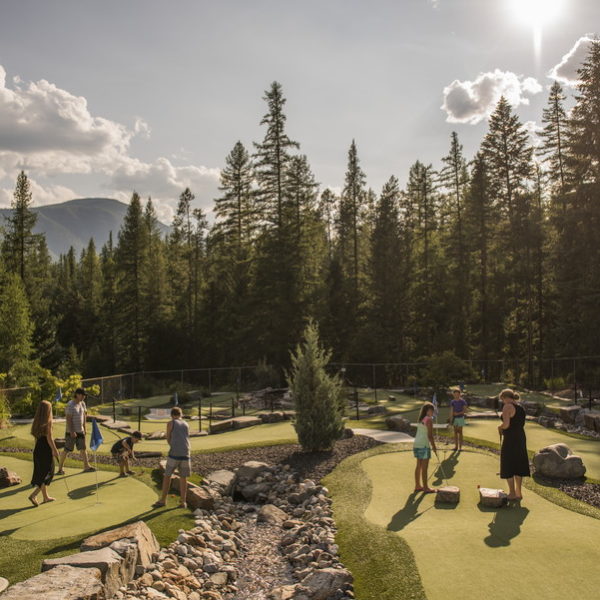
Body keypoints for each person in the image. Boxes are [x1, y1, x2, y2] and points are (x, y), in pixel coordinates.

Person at [153, 407, 191, 508]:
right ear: (181, 414)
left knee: (167, 476)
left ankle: (163, 500)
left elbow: (168, 438)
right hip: (186, 453)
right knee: (183, 477)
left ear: (172, 415)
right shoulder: (186, 423)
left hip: (174, 453)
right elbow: (186, 437)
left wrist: (172, 446)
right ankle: (183, 502)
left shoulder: (171, 423)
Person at [499, 388, 530, 501]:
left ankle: (511, 493)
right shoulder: (521, 408)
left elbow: (506, 425)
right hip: (521, 437)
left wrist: (500, 427)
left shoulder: (507, 406)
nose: (503, 402)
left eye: (502, 399)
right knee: (518, 463)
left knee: (508, 463)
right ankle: (518, 492)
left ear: (505, 398)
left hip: (511, 438)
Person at [56, 388, 95, 475]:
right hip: (71, 432)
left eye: (84, 395)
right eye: (82, 395)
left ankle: (86, 466)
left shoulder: (83, 404)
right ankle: (60, 469)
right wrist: (72, 431)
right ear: (77, 394)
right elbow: (68, 419)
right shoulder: (70, 404)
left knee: (83, 449)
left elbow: (84, 416)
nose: (84, 397)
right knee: (66, 450)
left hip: (80, 430)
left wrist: (84, 428)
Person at [29, 400, 60, 506]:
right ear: (48, 410)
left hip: (38, 450)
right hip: (46, 450)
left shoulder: (36, 421)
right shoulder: (48, 421)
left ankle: (46, 497)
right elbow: (49, 438)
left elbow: (37, 439)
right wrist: (55, 450)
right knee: (49, 473)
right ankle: (34, 494)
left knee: (42, 473)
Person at [413, 402, 438, 493]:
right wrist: (434, 447)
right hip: (424, 445)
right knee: (424, 467)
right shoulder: (429, 420)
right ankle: (426, 488)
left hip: (417, 444)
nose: (433, 412)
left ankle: (417, 485)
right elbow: (430, 436)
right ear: (427, 410)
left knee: (418, 466)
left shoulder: (420, 419)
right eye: (432, 410)